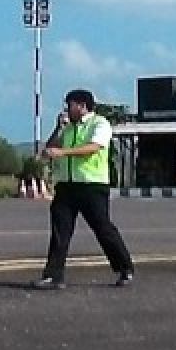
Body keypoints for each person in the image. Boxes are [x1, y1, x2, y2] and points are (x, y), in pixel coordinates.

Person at [30, 89, 135, 290]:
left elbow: (94, 147)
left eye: (70, 105)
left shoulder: (99, 124)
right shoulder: (69, 128)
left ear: (82, 106)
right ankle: (54, 276)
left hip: (92, 185)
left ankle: (125, 268)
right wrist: (57, 129)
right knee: (60, 231)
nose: (66, 110)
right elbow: (49, 149)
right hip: (67, 186)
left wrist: (64, 152)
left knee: (102, 228)